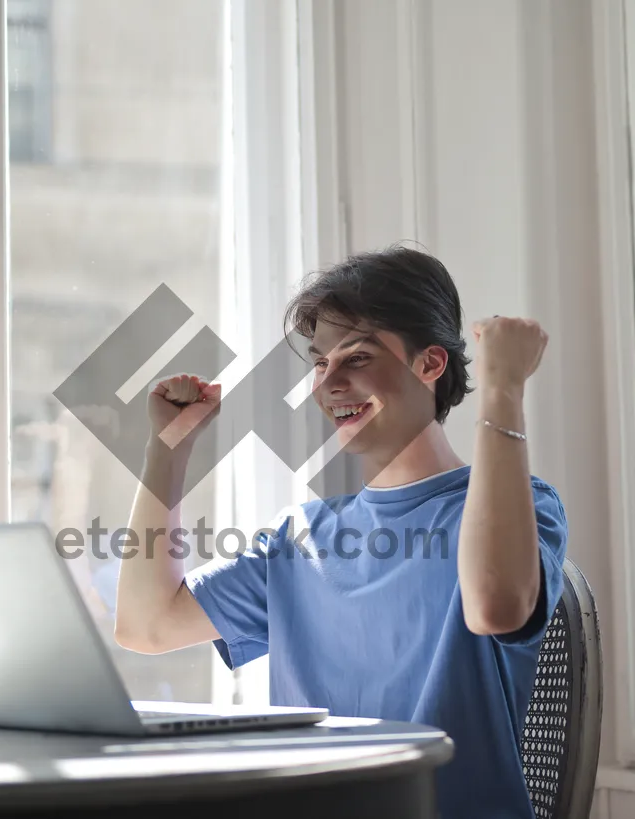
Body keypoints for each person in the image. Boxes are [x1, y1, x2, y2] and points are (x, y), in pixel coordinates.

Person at [114, 245, 567, 818]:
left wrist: (503, 388)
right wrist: (168, 449)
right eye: (319, 362)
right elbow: (145, 625)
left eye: (356, 358)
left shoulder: (521, 505)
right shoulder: (301, 537)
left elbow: (497, 608)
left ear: (430, 365)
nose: (328, 383)